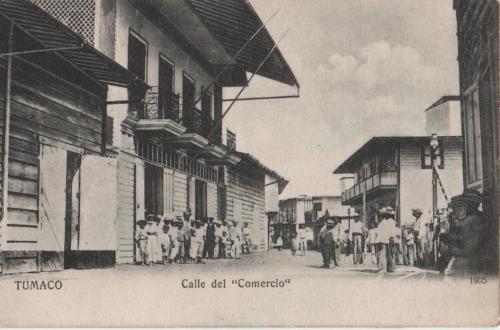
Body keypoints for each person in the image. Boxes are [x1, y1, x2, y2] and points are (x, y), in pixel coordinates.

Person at [375, 207, 397, 273]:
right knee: (387, 254)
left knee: (386, 254)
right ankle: (389, 268)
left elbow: (392, 231)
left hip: (387, 239)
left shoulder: (390, 222)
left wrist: (392, 238)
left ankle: (385, 268)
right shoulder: (383, 222)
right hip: (383, 239)